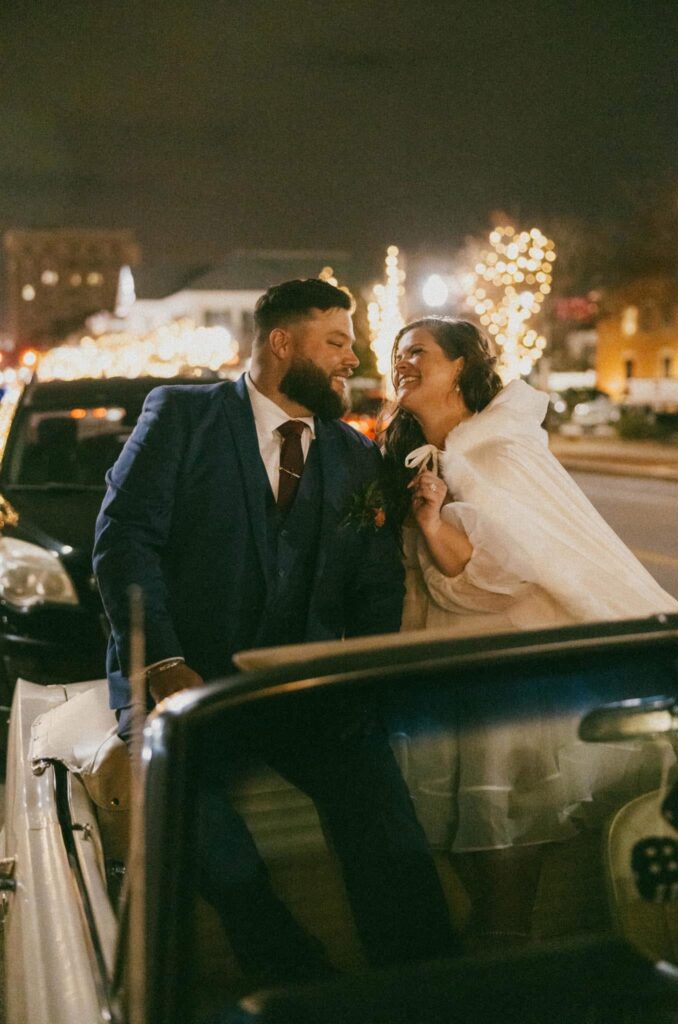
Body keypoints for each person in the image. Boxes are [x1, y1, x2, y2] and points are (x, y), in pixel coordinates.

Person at [93, 280, 455, 986]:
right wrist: (162, 661)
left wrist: (365, 682)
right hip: (181, 689)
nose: (352, 358)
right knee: (213, 846)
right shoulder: (181, 416)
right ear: (281, 343)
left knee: (384, 820)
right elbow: (124, 541)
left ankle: (427, 985)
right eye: (336, 342)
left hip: (299, 691)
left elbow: (375, 587)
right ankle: (295, 983)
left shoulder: (355, 457)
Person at [381, 316, 678, 947]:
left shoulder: (501, 451)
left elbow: (512, 567)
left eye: (418, 352)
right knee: (479, 872)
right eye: (396, 354)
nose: (401, 362)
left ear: (461, 365)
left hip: (514, 689)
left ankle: (500, 992)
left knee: (505, 878)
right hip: (447, 679)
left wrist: (436, 529)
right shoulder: (416, 455)